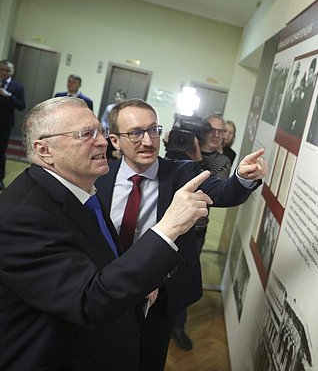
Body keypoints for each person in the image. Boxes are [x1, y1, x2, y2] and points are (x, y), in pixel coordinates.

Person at [0, 97, 213, 370]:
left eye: (98, 131)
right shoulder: (21, 215)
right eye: (85, 134)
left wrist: (138, 281)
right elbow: (90, 299)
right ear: (45, 150)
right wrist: (169, 226)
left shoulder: (82, 188)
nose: (101, 142)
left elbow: (99, 260)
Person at [96, 99, 267, 370]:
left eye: (153, 130)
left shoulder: (182, 172)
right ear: (115, 141)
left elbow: (225, 192)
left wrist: (243, 177)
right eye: (135, 133)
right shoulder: (98, 178)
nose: (148, 141)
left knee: (148, 359)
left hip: (160, 295)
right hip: (106, 290)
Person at [165, 114, 232, 350]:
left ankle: (177, 326)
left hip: (195, 228)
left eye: (221, 131)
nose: (217, 135)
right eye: (212, 129)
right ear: (202, 130)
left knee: (183, 276)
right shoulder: (177, 147)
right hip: (165, 221)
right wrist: (170, 146)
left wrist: (196, 159)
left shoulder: (222, 160)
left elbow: (215, 191)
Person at [0, 60, 26, 190]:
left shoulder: (17, 87)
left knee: (0, 151)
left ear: (12, 72)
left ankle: (0, 179)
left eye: (7, 70)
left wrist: (9, 96)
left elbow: (22, 106)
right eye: (2, 69)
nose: (4, 72)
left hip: (4, 123)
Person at [101, 90, 127, 160]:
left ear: (124, 98)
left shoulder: (126, 110)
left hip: (120, 134)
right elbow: (103, 119)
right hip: (108, 133)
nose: (118, 99)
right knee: (107, 150)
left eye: (121, 97)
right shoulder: (109, 108)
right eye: (117, 97)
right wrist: (105, 130)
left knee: (118, 152)